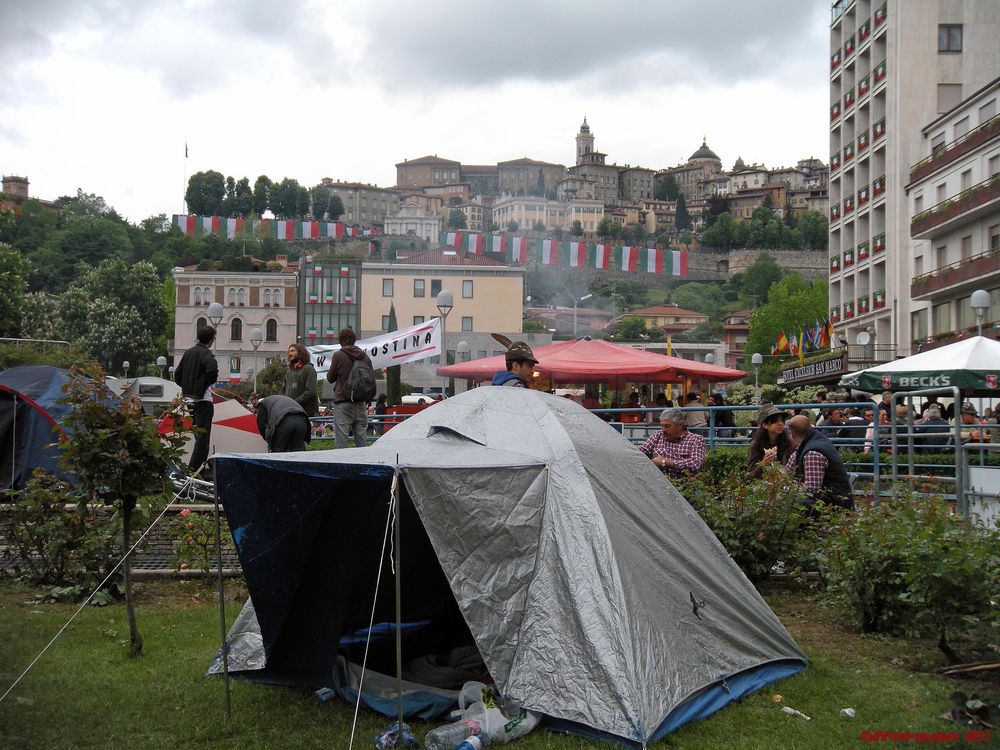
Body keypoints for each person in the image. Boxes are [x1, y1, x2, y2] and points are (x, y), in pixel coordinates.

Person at [174, 325, 218, 473]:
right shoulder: (206, 354)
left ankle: (194, 470)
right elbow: (212, 370)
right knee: (202, 441)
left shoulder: (188, 353)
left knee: (198, 437)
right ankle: (193, 472)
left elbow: (177, 375)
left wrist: (188, 388)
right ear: (211, 340)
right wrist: (203, 386)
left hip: (189, 401)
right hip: (203, 401)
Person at [785, 414, 853, 509]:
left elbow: (811, 490)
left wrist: (785, 488)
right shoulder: (816, 439)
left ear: (791, 434)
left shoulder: (812, 453)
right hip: (836, 498)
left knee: (786, 503)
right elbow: (789, 468)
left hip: (834, 504)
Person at [326, 327, 376, 449]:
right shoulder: (364, 356)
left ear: (341, 341)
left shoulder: (338, 355)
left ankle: (343, 466)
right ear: (354, 340)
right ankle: (363, 465)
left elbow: (330, 378)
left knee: (342, 442)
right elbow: (371, 380)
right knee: (362, 442)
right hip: (360, 403)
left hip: (343, 402)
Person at [639, 407, 706, 477]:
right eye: (662, 426)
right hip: (657, 482)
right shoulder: (658, 435)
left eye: (667, 426)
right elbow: (640, 452)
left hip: (682, 483)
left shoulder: (695, 440)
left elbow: (695, 464)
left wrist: (665, 462)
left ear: (680, 425)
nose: (663, 430)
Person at [746, 404, 793, 478]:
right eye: (775, 421)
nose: (780, 424)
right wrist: (763, 464)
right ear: (765, 425)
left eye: (781, 420)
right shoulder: (756, 445)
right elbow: (750, 476)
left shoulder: (788, 442)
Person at [284, 343, 319, 417]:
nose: (290, 353)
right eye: (289, 351)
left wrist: (294, 402)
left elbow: (310, 391)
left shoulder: (308, 369)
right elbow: (283, 389)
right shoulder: (289, 371)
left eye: (292, 351)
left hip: (306, 412)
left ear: (300, 353)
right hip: (291, 411)